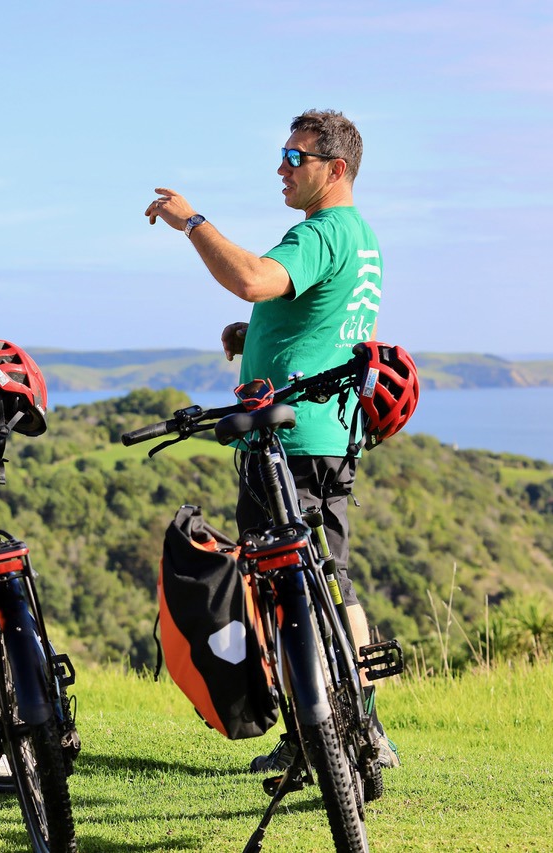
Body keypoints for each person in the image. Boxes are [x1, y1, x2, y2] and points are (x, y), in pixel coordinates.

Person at [146, 109, 398, 772]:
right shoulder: (362, 237)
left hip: (288, 442)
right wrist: (254, 332)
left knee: (280, 588)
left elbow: (254, 276)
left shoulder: (321, 229)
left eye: (296, 157)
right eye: (282, 155)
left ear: (334, 169)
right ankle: (364, 727)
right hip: (335, 432)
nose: (282, 168)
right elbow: (318, 316)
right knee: (330, 581)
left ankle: (309, 736)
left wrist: (192, 223)